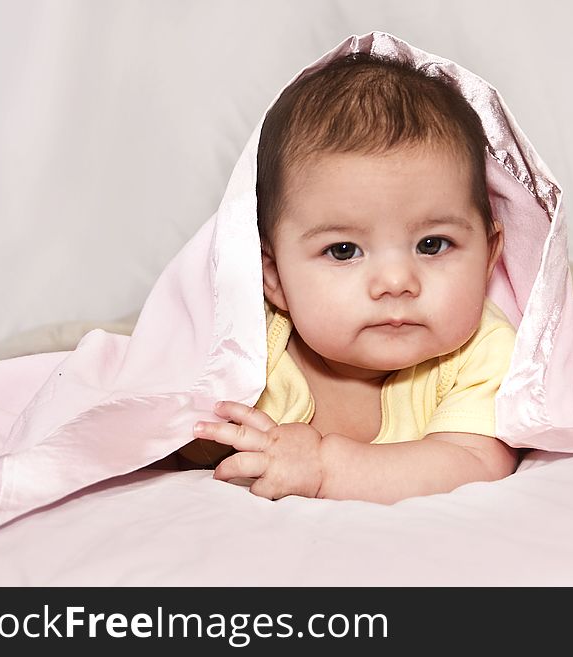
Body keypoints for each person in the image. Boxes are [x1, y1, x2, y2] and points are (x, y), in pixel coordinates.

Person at [176, 53, 519, 502]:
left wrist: (323, 468)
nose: (396, 282)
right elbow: (170, 429)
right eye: (343, 250)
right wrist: (206, 439)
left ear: (489, 257)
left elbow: (475, 460)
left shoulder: (483, 351)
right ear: (273, 276)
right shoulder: (247, 349)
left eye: (432, 245)